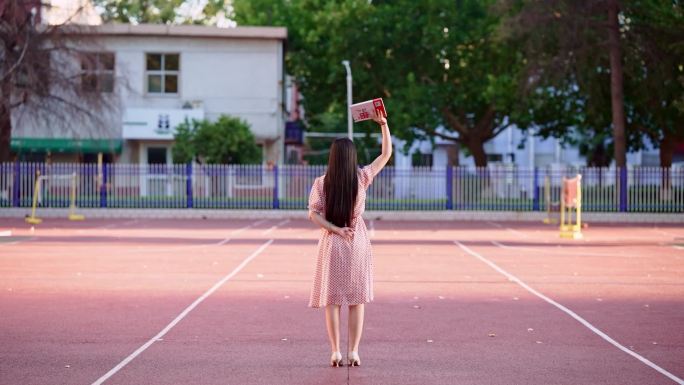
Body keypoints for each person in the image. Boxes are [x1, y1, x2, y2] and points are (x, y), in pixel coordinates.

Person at [307, 114, 392, 367]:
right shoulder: (362, 178)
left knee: (332, 301)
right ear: (352, 157)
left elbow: (313, 213)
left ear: (332, 157)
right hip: (357, 242)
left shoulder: (322, 183)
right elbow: (385, 154)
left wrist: (334, 228)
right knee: (356, 301)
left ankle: (335, 352)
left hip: (332, 242)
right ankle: (354, 352)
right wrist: (384, 125)